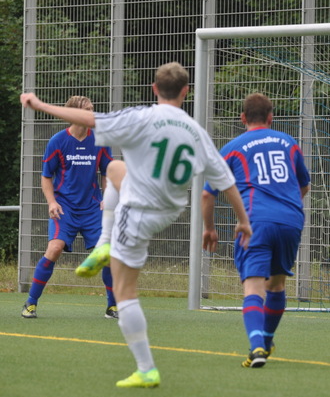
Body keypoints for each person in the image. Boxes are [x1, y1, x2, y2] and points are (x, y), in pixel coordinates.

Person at [20, 62, 253, 388]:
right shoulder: (196, 131)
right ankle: (103, 243)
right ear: (187, 92)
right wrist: (240, 221)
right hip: (170, 210)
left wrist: (39, 104)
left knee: (126, 292)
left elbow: (89, 119)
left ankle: (146, 368)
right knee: (115, 168)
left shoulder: (141, 117)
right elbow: (226, 183)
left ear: (154, 90)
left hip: (138, 209)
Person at [201, 93, 311, 368]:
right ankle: (268, 340)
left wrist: (210, 229)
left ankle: (257, 346)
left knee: (253, 285)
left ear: (243, 118)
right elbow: (304, 185)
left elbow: (207, 195)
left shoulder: (232, 148)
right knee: (277, 284)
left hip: (255, 222)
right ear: (271, 118)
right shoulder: (288, 142)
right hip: (291, 220)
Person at [21, 96, 116, 320]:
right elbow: (46, 177)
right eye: (88, 110)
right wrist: (52, 202)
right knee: (54, 249)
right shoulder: (57, 141)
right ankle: (31, 303)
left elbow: (107, 173)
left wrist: (108, 197)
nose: (93, 114)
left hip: (92, 209)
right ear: (74, 114)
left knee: (107, 255)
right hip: (65, 209)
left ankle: (112, 307)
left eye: (94, 109)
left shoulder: (100, 139)